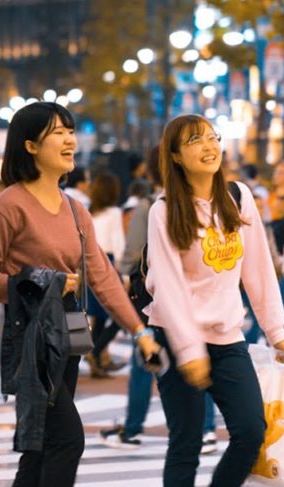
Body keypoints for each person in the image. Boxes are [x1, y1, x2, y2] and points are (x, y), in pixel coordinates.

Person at [0, 102, 158, 487]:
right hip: (29, 341)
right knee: (67, 440)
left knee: (40, 446)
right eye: (58, 133)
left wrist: (138, 331)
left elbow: (103, 275)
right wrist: (40, 281)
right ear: (31, 146)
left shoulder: (76, 210)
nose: (70, 140)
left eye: (72, 131)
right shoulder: (8, 206)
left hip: (66, 340)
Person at [145, 115, 284, 487]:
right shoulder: (164, 210)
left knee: (251, 432)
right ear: (175, 156)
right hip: (176, 339)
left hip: (228, 337)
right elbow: (166, 288)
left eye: (212, 137)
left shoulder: (237, 196)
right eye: (195, 141)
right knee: (186, 441)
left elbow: (259, 270)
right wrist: (189, 353)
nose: (209, 146)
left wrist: (276, 332)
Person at [102, 145, 161, 448]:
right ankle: (204, 430)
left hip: (151, 298)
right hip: (192, 302)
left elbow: (131, 255)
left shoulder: (149, 206)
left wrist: (125, 275)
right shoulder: (200, 204)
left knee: (143, 361)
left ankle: (133, 426)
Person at [86, 171, 126, 378]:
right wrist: (125, 274)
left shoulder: (89, 212)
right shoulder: (114, 212)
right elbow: (118, 243)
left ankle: (96, 360)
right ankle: (95, 353)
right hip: (107, 264)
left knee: (100, 317)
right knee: (120, 314)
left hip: (89, 264)